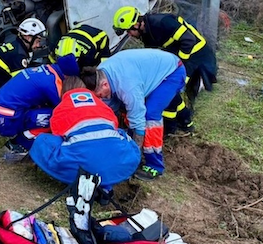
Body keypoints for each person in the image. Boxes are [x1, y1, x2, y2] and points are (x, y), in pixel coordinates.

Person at [80, 49, 186, 181]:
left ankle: (154, 164)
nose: (101, 98)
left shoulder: (127, 87)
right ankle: (125, 146)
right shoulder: (99, 74)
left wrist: (134, 151)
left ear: (105, 84)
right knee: (123, 109)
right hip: (143, 71)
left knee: (150, 115)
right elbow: (106, 108)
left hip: (171, 72)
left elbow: (138, 121)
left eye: (101, 95)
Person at [112, 6, 218, 134]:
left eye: (129, 31)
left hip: (195, 55)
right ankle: (185, 120)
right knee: (166, 88)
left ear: (137, 24)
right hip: (178, 56)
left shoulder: (162, 22)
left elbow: (188, 40)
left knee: (171, 88)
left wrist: (179, 65)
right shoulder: (146, 33)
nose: (129, 35)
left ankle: (171, 127)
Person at [29, 78, 141, 189]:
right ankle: (107, 182)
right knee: (120, 134)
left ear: (63, 91)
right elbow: (114, 127)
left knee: (43, 140)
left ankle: (77, 176)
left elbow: (57, 135)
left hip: (82, 166)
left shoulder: (61, 108)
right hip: (118, 164)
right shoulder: (103, 105)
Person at [0, 54, 80, 154]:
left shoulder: (44, 69)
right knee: (54, 117)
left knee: (44, 108)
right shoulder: (52, 83)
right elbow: (64, 109)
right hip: (6, 121)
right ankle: (19, 144)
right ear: (67, 76)